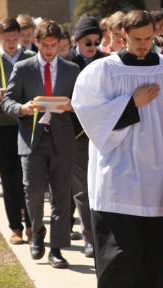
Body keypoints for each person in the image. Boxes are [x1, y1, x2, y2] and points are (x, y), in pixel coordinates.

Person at [71, 10, 163, 287]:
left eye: (149, 38)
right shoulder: (102, 70)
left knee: (151, 260)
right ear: (122, 36)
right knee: (120, 261)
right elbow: (88, 113)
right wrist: (131, 103)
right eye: (137, 38)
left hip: (156, 175)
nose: (143, 44)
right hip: (117, 177)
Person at [1, 20, 79, 269]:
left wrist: (72, 106)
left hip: (62, 138)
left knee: (61, 196)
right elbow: (8, 101)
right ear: (36, 42)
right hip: (32, 138)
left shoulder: (71, 69)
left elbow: (82, 101)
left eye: (54, 45)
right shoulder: (24, 68)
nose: (48, 50)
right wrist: (21, 108)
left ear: (60, 45)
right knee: (33, 190)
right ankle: (37, 231)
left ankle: (56, 248)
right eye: (44, 44)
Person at [0, 17, 35, 243]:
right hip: (2, 127)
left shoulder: (31, 58)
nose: (12, 43)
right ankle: (15, 228)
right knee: (9, 179)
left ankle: (32, 225)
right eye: (7, 39)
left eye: (15, 38)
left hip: (28, 124)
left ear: (20, 37)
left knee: (29, 178)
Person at [60, 13, 110, 258]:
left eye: (96, 42)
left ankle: (106, 236)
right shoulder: (66, 62)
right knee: (83, 189)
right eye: (87, 42)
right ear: (76, 42)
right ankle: (90, 239)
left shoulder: (108, 61)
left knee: (106, 187)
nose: (92, 47)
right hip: (77, 135)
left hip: (104, 134)